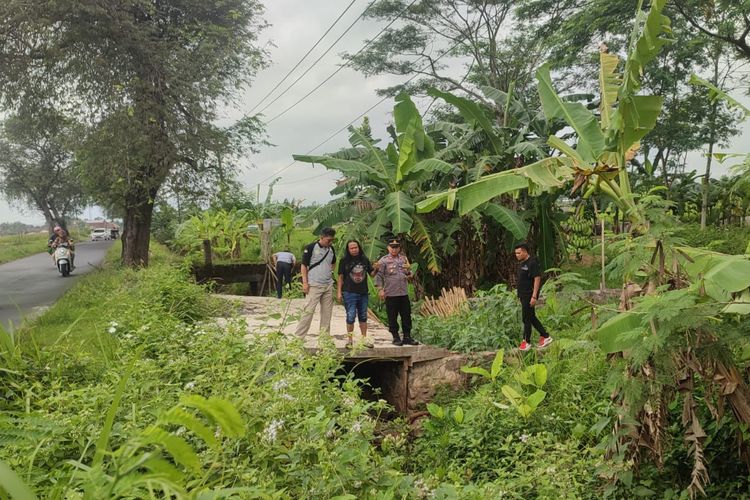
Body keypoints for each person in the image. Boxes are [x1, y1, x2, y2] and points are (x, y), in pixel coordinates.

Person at [374, 238, 418, 346]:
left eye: (396, 247)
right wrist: (380, 289)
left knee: (406, 315)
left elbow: (409, 274)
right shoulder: (383, 261)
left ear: (399, 248)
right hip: (391, 293)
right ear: (388, 248)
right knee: (392, 315)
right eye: (392, 247)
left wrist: (409, 273)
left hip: (403, 292)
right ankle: (395, 336)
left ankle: (407, 336)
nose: (394, 249)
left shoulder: (403, 259)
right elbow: (378, 276)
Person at [294, 227, 336, 338]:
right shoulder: (311, 248)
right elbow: (303, 266)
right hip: (314, 285)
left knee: (327, 314)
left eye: (332, 240)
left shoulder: (331, 249)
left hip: (328, 285)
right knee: (308, 312)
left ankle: (324, 339)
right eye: (328, 240)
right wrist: (305, 283)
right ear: (321, 237)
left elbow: (333, 263)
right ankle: (299, 338)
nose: (330, 242)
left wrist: (329, 272)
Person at [337, 240, 376, 348]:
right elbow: (340, 277)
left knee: (363, 316)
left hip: (363, 292)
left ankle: (364, 339)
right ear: (348, 250)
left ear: (359, 247)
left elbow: (371, 274)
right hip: (349, 292)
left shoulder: (364, 259)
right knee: (351, 316)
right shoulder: (344, 261)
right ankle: (350, 340)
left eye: (356, 247)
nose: (354, 250)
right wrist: (339, 292)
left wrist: (376, 268)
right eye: (351, 248)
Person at [514, 242, 552, 351]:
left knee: (527, 318)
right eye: (516, 253)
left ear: (525, 252)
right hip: (522, 295)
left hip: (529, 295)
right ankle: (544, 336)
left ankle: (527, 341)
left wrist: (534, 296)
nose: (517, 255)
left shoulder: (532, 263)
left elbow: (537, 278)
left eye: (519, 253)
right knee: (530, 317)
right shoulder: (522, 263)